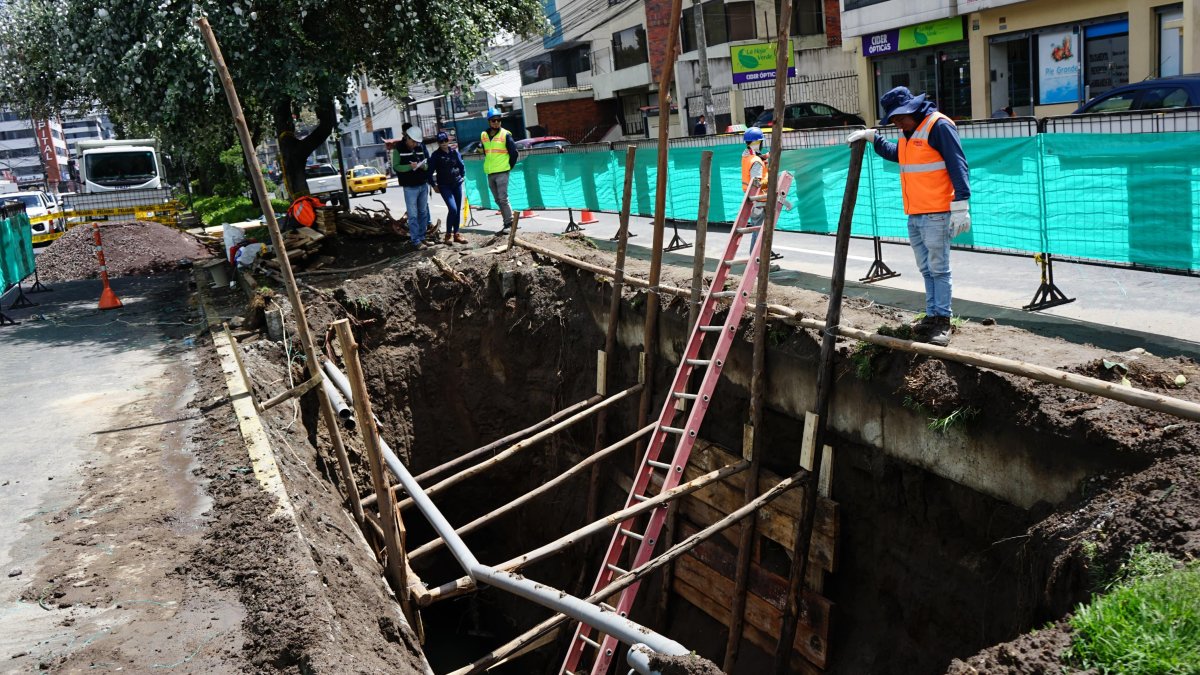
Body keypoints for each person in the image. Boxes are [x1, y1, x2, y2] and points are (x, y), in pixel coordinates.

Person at [847, 86, 971, 347]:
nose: (897, 123)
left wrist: (961, 203)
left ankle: (943, 321)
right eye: (893, 120)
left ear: (913, 108)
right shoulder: (908, 131)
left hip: (937, 211)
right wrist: (875, 139)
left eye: (900, 117)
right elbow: (899, 155)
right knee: (926, 268)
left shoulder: (938, 126)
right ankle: (932, 315)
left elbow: (957, 163)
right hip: (915, 212)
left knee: (939, 268)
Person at [393, 125, 433, 249]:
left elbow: (426, 165)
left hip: (422, 184)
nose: (415, 144)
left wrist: (422, 166)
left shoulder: (419, 147)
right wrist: (409, 167)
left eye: (417, 142)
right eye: (413, 141)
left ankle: (422, 238)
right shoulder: (398, 148)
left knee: (423, 212)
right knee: (413, 215)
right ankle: (415, 241)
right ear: (407, 138)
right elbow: (396, 166)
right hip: (410, 187)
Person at [480, 108, 519, 234]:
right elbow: (486, 152)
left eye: (498, 120)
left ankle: (510, 223)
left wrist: (508, 167)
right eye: (493, 120)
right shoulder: (484, 135)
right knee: (497, 200)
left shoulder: (505, 135)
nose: (496, 122)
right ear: (489, 122)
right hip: (490, 172)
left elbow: (514, 153)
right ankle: (506, 223)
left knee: (503, 198)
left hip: (502, 171)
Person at [429, 131, 467, 245]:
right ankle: (447, 236)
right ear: (438, 143)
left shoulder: (454, 152)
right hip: (444, 186)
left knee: (457, 210)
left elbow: (461, 165)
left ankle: (457, 234)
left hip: (457, 184)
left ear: (448, 140)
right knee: (453, 209)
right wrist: (433, 185)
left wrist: (463, 176)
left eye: (445, 140)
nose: (444, 143)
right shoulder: (435, 155)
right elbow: (429, 172)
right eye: (441, 141)